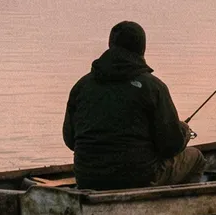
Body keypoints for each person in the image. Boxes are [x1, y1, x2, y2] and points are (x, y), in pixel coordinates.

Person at [62, 20, 206, 189]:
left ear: (110, 45)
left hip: (87, 178)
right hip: (140, 178)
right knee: (196, 158)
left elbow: (70, 140)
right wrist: (184, 132)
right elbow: (170, 146)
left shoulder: (81, 86)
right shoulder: (152, 87)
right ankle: (177, 207)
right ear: (142, 49)